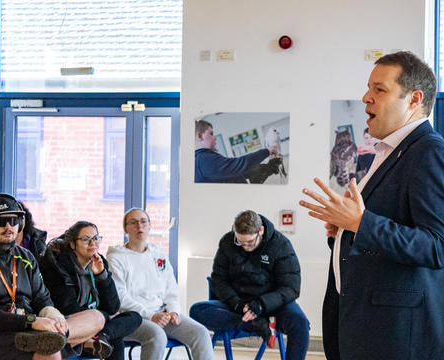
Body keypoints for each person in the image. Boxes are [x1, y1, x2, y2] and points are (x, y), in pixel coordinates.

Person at [299, 51, 444, 360]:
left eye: (379, 89)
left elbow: (438, 246)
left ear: (414, 99)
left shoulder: (430, 154)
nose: (366, 98)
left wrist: (361, 224)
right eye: (368, 88)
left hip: (404, 339)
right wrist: (343, 232)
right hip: (373, 330)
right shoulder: (390, 152)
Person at [0, 193, 106, 360]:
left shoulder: (26, 256)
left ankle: (50, 337)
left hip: (34, 327)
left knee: (97, 317)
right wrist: (31, 322)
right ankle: (52, 339)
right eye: (0, 222)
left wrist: (54, 317)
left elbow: (42, 298)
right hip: (3, 331)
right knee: (51, 353)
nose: (8, 227)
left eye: (13, 221)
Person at [189, 210, 309, 360]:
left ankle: (262, 322)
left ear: (261, 230)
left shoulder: (280, 245)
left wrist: (261, 304)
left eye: (250, 242)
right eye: (240, 242)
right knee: (197, 310)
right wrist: (238, 304)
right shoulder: (228, 242)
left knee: (300, 324)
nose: (245, 246)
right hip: (239, 305)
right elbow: (219, 280)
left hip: (272, 304)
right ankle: (258, 324)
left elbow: (291, 287)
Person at [107, 208, 215, 360]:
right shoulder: (116, 258)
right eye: (133, 222)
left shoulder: (158, 254)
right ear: (125, 228)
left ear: (150, 226)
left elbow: (171, 289)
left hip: (162, 314)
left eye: (144, 221)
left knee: (200, 333)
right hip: (132, 318)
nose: (140, 226)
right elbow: (120, 298)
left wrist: (174, 311)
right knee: (157, 335)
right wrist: (151, 315)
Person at [39, 221, 142, 359]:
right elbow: (67, 308)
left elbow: (113, 307)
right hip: (71, 325)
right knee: (115, 338)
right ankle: (101, 337)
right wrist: (102, 316)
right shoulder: (59, 266)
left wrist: (101, 275)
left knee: (134, 317)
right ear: (72, 244)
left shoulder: (99, 262)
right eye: (86, 239)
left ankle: (101, 337)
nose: (92, 243)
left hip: (96, 322)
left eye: (96, 238)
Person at [195, 119, 281, 183]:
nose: (214, 137)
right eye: (211, 134)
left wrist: (267, 167)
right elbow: (238, 164)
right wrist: (266, 151)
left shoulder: (203, 158)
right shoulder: (204, 160)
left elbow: (232, 171)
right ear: (199, 136)